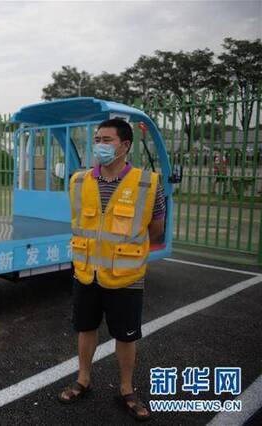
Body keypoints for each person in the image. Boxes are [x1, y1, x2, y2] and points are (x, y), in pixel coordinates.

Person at [58, 118, 165, 422]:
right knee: (85, 328)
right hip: (86, 272)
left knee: (125, 336)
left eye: (107, 140)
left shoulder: (148, 183)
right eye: (97, 139)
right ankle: (83, 379)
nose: (100, 146)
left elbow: (156, 229)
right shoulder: (79, 181)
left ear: (125, 145)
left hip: (126, 276)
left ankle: (126, 389)